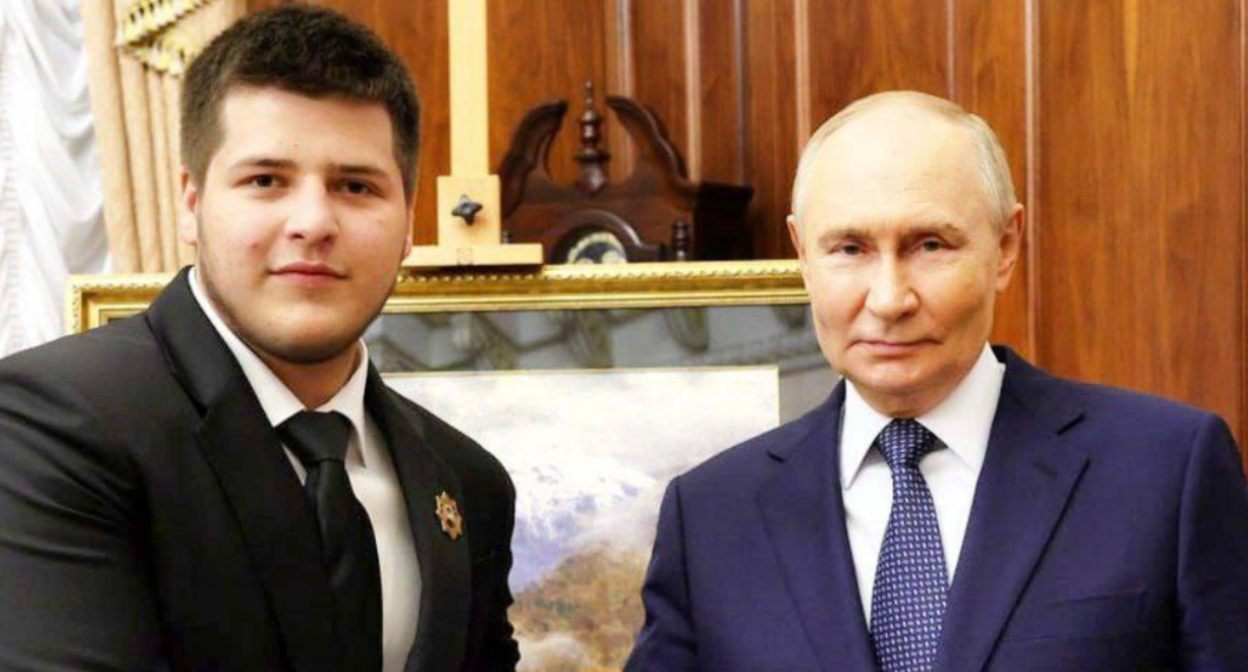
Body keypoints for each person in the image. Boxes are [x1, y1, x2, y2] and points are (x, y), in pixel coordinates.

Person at [625, 91, 1248, 671]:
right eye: (849, 249)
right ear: (802, 255)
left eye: (929, 245)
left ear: (1005, 246)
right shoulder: (710, 516)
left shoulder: (1166, 472)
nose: (889, 299)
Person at [0, 5, 519, 671]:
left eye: (356, 186)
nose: (313, 222)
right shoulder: (52, 424)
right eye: (266, 180)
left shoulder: (470, 481)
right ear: (191, 202)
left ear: (408, 221)